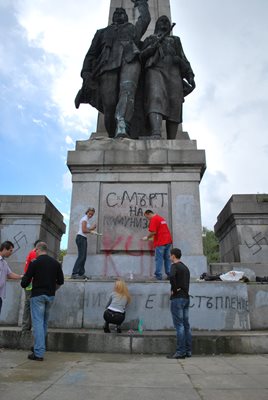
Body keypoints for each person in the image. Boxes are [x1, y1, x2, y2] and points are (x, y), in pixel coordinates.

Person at [75, 0, 151, 138]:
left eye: (122, 13)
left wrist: (142, 3)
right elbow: (91, 54)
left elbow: (145, 19)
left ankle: (122, 125)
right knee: (109, 103)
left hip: (130, 60)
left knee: (127, 91)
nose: (119, 14)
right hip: (107, 65)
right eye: (117, 13)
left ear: (127, 17)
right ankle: (112, 132)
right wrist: (85, 72)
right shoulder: (102, 32)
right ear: (112, 17)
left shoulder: (132, 29)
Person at [141, 15, 195, 139]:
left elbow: (183, 58)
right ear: (157, 25)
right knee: (156, 97)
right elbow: (141, 56)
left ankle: (172, 139)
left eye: (167, 21)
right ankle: (156, 133)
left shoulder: (175, 40)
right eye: (161, 21)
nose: (165, 23)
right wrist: (153, 47)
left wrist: (190, 75)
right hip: (155, 70)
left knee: (175, 102)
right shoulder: (150, 39)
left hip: (173, 72)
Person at [21, 242, 64, 361]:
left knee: (38, 323)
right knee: (44, 323)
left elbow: (25, 281)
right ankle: (39, 346)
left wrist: (24, 283)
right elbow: (61, 281)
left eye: (35, 251)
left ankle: (38, 352)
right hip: (50, 296)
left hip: (37, 296)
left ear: (38, 250)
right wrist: (52, 289)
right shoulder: (55, 263)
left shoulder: (35, 263)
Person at [167, 248, 191, 359]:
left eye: (170, 255)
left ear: (173, 256)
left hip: (177, 298)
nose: (169, 257)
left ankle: (180, 352)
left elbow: (171, 276)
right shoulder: (185, 268)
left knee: (179, 326)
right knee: (186, 325)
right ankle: (188, 350)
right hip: (186, 297)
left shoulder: (174, 266)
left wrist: (174, 289)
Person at [143, 209, 172, 280]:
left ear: (149, 214)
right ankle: (169, 274)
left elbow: (153, 232)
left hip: (161, 242)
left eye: (147, 217)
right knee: (167, 258)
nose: (148, 219)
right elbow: (161, 231)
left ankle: (158, 276)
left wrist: (147, 237)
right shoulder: (160, 218)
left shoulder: (154, 219)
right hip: (168, 241)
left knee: (159, 259)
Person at [21, 239, 42, 332]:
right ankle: (26, 326)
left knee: (29, 303)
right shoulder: (34, 253)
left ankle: (27, 326)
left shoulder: (33, 253)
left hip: (30, 281)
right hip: (31, 282)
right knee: (29, 303)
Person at [71, 207, 97, 280]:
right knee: (81, 256)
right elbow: (84, 230)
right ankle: (74, 273)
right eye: (90, 214)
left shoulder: (86, 220)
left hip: (82, 238)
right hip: (81, 238)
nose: (90, 215)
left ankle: (81, 273)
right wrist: (91, 231)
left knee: (83, 256)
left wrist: (92, 228)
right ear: (87, 212)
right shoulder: (84, 219)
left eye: (92, 214)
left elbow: (86, 229)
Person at [0, 241, 23, 315]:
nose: (11, 253)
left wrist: (22, 276)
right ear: (4, 249)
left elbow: (10, 274)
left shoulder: (4, 262)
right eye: (10, 250)